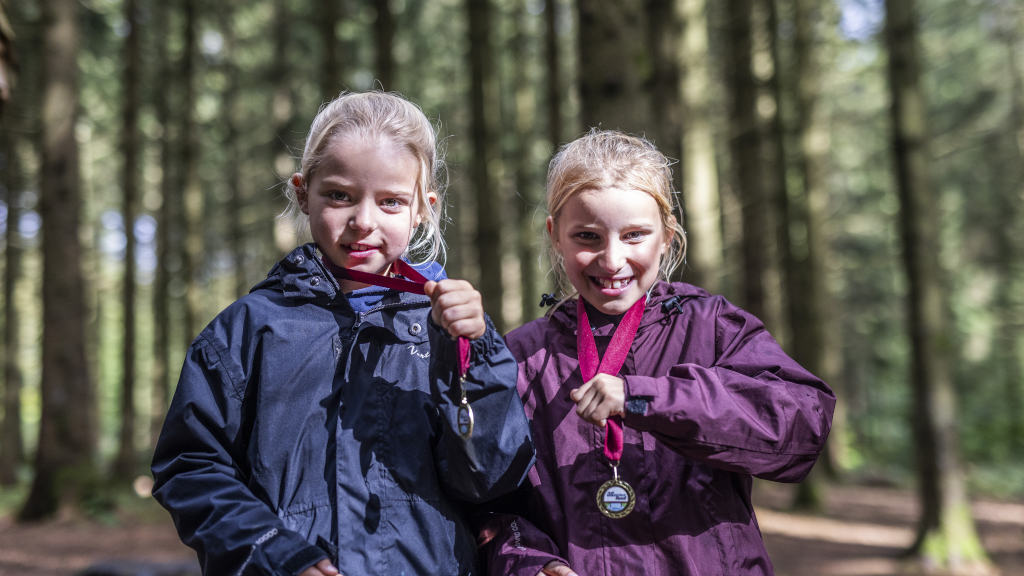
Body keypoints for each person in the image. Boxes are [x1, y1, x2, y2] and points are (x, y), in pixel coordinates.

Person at [152, 91, 535, 576]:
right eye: (339, 195)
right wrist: (273, 550)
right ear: (301, 192)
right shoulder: (248, 329)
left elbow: (494, 480)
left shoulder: (451, 329)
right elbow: (190, 466)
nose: (363, 221)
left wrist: (477, 352)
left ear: (422, 208)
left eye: (391, 201)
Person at [478, 130, 835, 576]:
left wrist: (648, 399)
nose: (612, 260)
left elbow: (802, 426)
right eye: (587, 236)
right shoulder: (521, 357)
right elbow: (491, 508)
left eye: (634, 235)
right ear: (555, 236)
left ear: (666, 236)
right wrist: (533, 564)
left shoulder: (711, 327)